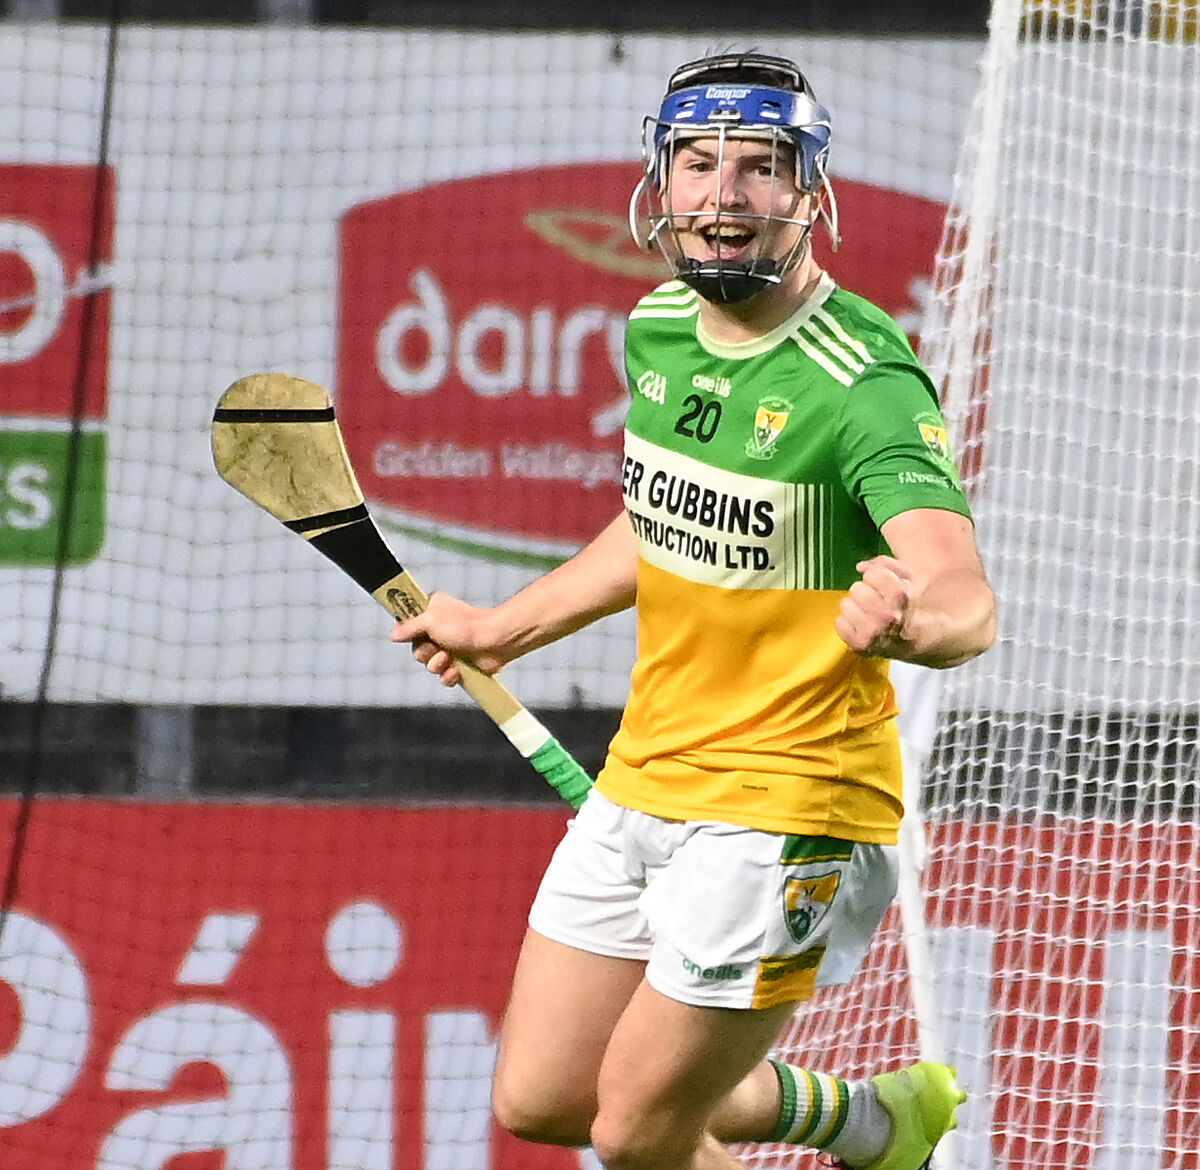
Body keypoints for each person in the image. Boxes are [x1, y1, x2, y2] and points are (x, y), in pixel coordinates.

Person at [393, 50, 996, 1170]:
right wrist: (502, 628)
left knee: (637, 1131)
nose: (726, 193)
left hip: (787, 801)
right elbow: (657, 521)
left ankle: (861, 1126)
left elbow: (965, 597)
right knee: (545, 1096)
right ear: (659, 182)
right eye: (699, 163)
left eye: (761, 165)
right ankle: (868, 1122)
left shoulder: (860, 380)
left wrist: (912, 618)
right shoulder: (662, 325)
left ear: (810, 191)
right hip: (647, 773)